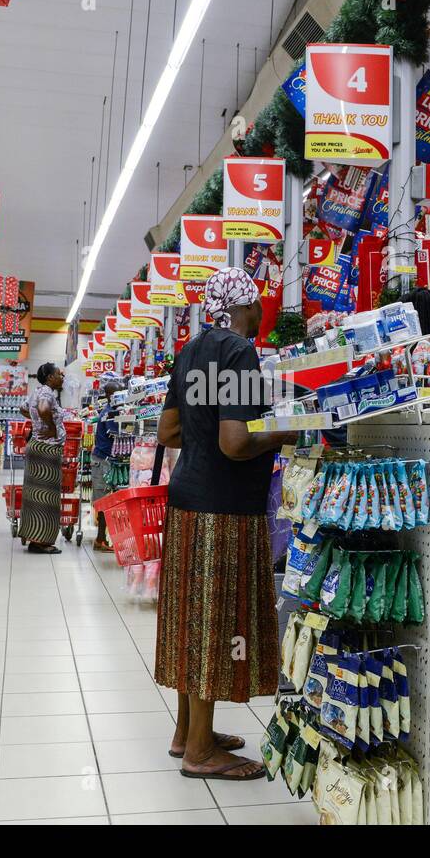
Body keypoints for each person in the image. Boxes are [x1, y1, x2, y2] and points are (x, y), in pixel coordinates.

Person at [155, 267, 289, 781]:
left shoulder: (190, 352)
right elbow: (235, 443)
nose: (261, 315)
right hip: (225, 510)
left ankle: (188, 732)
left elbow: (169, 431)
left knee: (194, 618)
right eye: (258, 305)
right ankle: (201, 754)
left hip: (188, 500)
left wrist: (206, 436)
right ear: (245, 306)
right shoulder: (238, 352)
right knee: (217, 623)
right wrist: (282, 432)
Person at [18, 362, 67, 554]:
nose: (61, 377)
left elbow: (24, 408)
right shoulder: (47, 393)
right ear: (49, 377)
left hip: (37, 448)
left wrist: (37, 423)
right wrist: (51, 428)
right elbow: (44, 409)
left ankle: (34, 537)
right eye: (58, 374)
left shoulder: (37, 391)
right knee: (46, 497)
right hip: (47, 451)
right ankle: (42, 542)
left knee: (34, 497)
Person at [90, 377, 122, 552]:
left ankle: (102, 538)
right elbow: (120, 433)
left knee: (107, 500)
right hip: (102, 460)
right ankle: (100, 539)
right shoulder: (109, 414)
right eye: (118, 393)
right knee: (103, 501)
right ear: (110, 395)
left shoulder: (113, 411)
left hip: (107, 460)